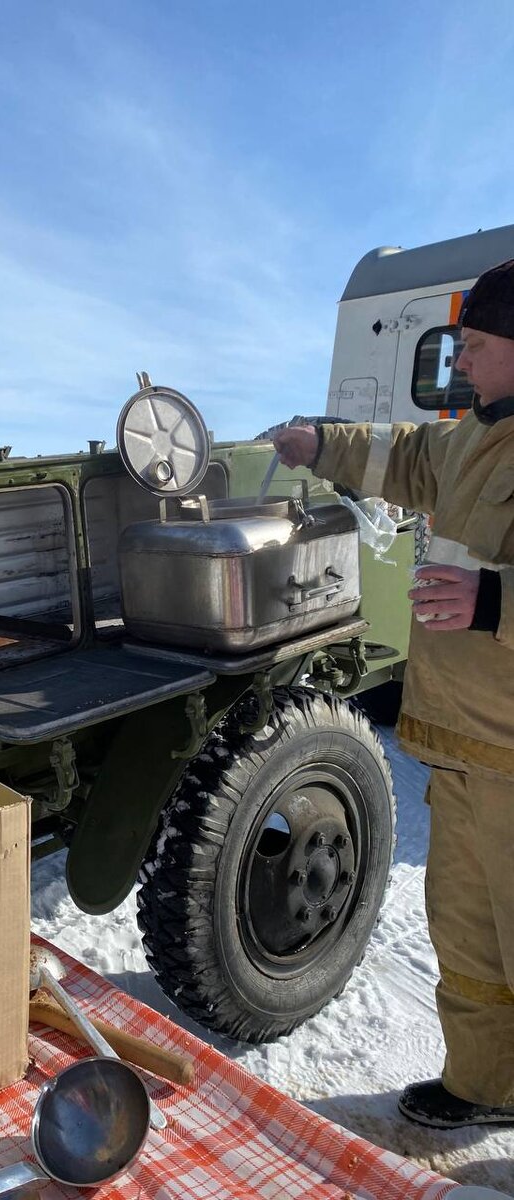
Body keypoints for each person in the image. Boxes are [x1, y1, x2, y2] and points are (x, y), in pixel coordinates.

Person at [272, 256, 514, 1130]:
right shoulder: (465, 437)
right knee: (467, 934)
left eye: (479, 346)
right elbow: (401, 454)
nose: (463, 364)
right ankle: (487, 1087)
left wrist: (494, 602)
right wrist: (318, 442)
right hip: (460, 745)